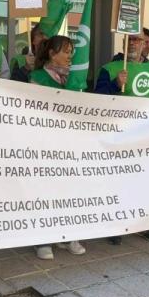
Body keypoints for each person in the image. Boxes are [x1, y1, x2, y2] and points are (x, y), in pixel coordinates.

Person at [95, 32, 149, 245]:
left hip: (144, 137)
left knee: (143, 181)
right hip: (118, 135)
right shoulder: (110, 69)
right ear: (124, 41)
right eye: (132, 39)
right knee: (117, 180)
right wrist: (116, 85)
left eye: (140, 40)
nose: (136, 43)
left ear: (146, 43)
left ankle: (144, 224)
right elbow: (97, 99)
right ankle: (115, 225)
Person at [29, 35, 87, 259]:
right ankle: (43, 240)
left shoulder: (75, 79)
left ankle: (68, 235)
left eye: (72, 52)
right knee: (46, 190)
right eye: (66, 52)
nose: (71, 56)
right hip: (45, 143)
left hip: (70, 143)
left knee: (70, 189)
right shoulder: (37, 77)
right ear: (52, 54)